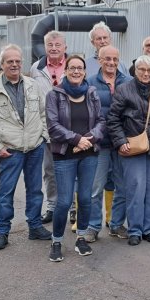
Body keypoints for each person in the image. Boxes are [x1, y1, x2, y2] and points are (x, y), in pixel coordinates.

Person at [0, 44, 52, 250]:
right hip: (10, 151)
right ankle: (2, 232)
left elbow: (44, 113)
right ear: (1, 64)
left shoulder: (33, 85)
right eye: (10, 61)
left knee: (35, 191)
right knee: (6, 193)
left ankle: (35, 227)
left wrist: (43, 136)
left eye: (18, 61)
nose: (15, 65)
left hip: (35, 147)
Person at [107, 55, 150, 246]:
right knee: (135, 189)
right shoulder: (124, 89)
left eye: (149, 70)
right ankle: (135, 229)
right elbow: (113, 119)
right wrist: (120, 141)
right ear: (135, 71)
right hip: (132, 148)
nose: (146, 73)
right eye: (142, 70)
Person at [45, 55, 104, 261]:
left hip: (89, 154)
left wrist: (90, 138)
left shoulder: (92, 93)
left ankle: (81, 238)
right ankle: (57, 241)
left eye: (80, 68)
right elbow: (53, 126)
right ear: (66, 71)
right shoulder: (55, 94)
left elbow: (101, 121)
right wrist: (78, 139)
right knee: (64, 201)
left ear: (85, 71)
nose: (76, 71)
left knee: (86, 199)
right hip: (64, 155)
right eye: (72, 68)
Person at [86, 45, 131, 242]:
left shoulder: (129, 82)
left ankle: (116, 224)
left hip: (123, 144)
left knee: (122, 187)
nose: (111, 63)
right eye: (107, 59)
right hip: (100, 144)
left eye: (115, 59)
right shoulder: (89, 83)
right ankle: (93, 226)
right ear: (100, 60)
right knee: (96, 187)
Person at [28, 31, 67, 224]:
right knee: (50, 170)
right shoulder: (36, 68)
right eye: (50, 45)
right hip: (47, 127)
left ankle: (73, 208)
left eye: (57, 45)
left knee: (73, 169)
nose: (54, 48)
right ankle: (52, 206)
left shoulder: (74, 65)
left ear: (64, 47)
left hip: (71, 127)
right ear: (45, 47)